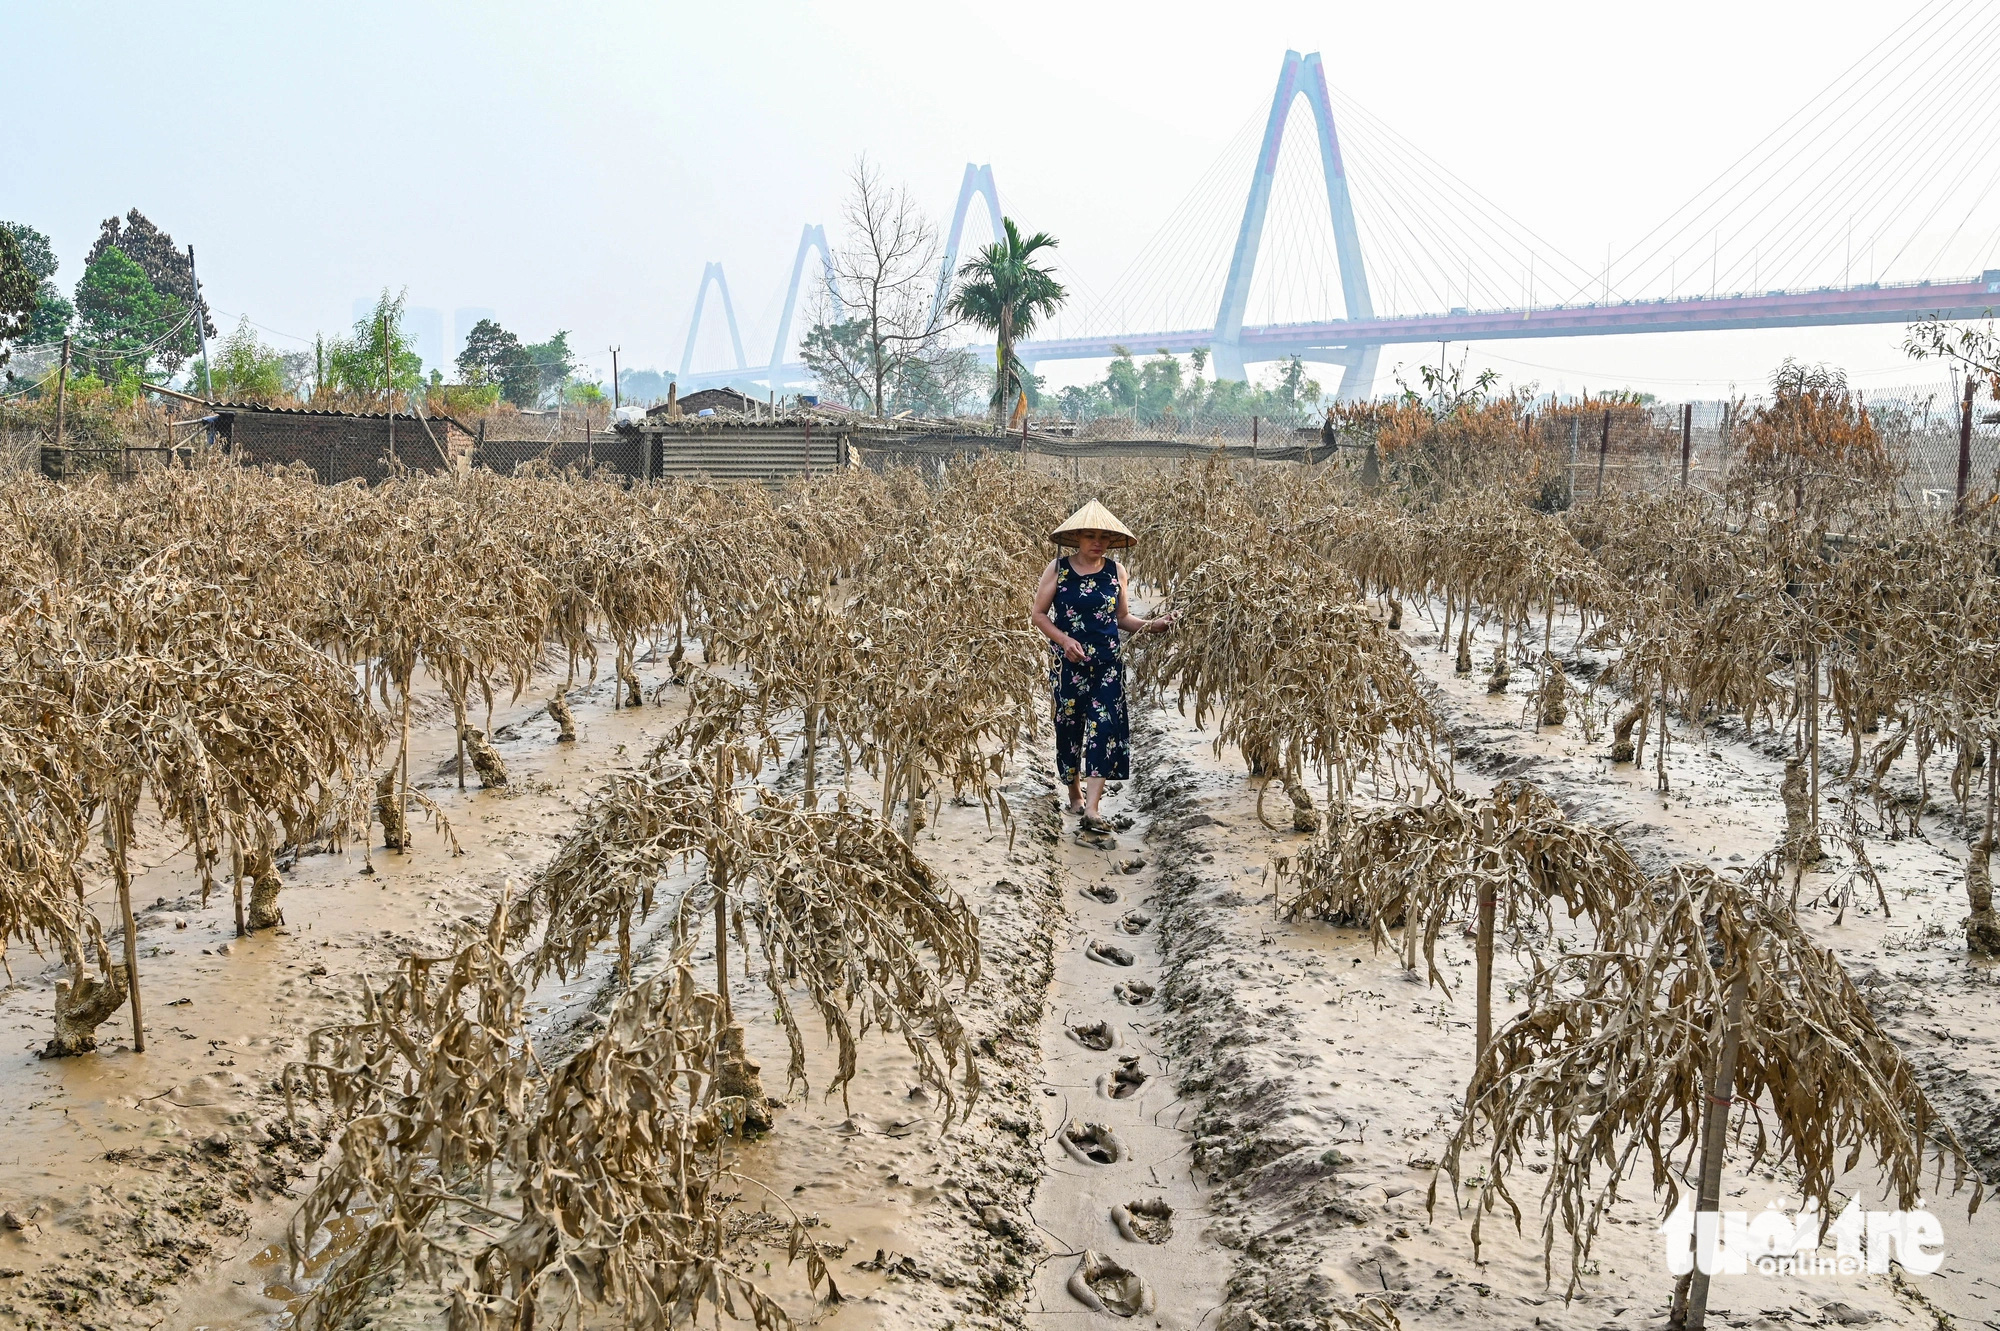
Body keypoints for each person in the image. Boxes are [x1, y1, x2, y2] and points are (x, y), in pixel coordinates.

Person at [1030, 500, 1172, 831]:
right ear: (1077, 537)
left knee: (1103, 728)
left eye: (1104, 538)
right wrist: (1064, 641)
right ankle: (1075, 793)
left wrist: (1155, 624)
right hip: (1068, 666)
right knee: (1069, 728)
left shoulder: (1116, 571)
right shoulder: (1058, 569)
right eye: (1091, 536)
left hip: (1107, 664)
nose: (1098, 542)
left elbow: (1122, 618)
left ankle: (1093, 808)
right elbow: (1038, 615)